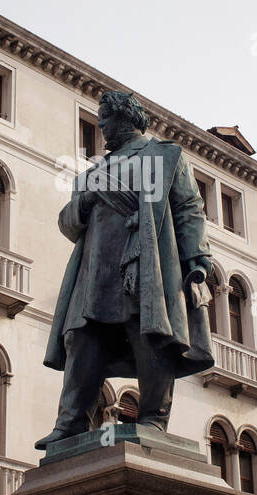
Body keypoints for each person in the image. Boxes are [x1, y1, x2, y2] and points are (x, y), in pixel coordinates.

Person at [36, 90, 215, 449]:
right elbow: (68, 223)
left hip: (146, 262)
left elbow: (189, 209)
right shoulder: (94, 172)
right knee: (82, 339)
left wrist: (196, 261)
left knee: (149, 334)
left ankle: (152, 418)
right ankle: (71, 423)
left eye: (106, 118)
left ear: (126, 119)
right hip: (95, 269)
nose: (101, 125)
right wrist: (85, 202)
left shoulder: (163, 156)